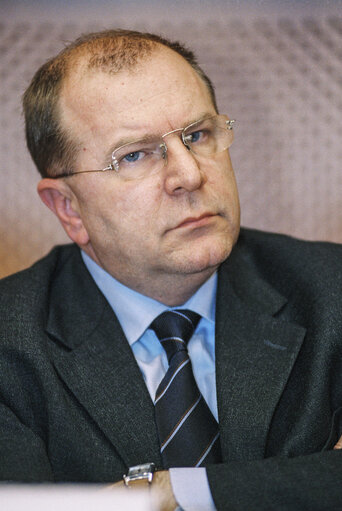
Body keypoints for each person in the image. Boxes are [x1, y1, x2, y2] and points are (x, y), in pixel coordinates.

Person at [0, 28, 342, 510]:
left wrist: (176, 493)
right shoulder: (9, 346)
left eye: (198, 135)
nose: (189, 175)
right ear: (68, 208)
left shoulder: (332, 291)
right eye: (135, 155)